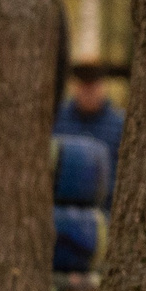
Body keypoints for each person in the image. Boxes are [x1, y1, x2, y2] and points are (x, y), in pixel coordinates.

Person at [54, 66, 124, 201]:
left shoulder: (119, 125)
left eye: (93, 86)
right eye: (84, 86)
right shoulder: (57, 119)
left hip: (105, 206)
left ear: (103, 87)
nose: (88, 92)